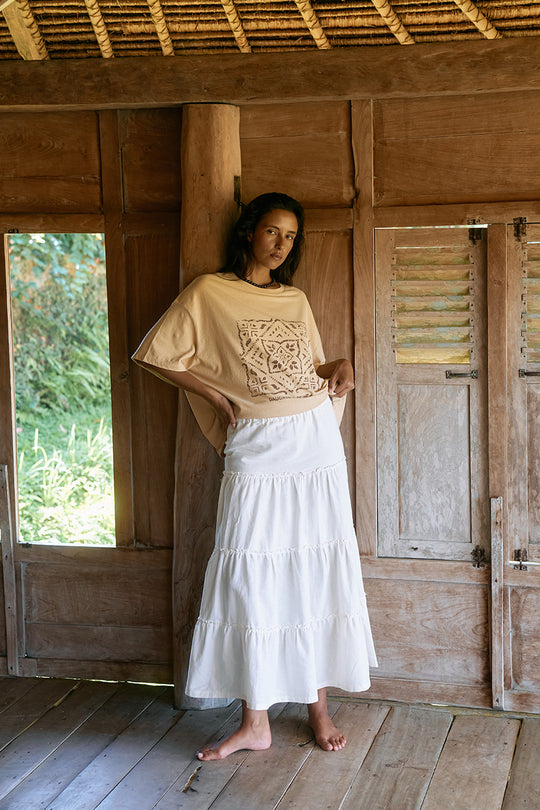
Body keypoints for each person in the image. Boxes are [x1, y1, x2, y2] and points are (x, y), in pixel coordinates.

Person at [132, 192, 377, 761]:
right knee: (251, 569)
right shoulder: (209, 293)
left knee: (313, 567)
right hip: (258, 446)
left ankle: (319, 709)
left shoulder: (295, 299)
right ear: (249, 233)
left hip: (313, 440)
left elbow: (308, 367)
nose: (281, 244)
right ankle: (256, 722)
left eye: (290, 236)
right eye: (272, 231)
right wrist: (216, 396)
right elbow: (158, 355)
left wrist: (337, 367)